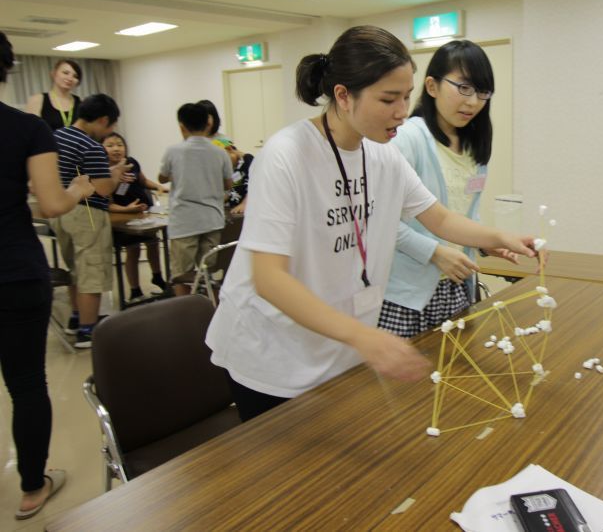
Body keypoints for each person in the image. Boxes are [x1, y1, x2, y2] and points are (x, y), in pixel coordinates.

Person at [205, 26, 537, 423]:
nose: (402, 110)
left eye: (405, 95)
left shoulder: (381, 155)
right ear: (344, 96)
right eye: (388, 98)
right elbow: (269, 279)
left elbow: (440, 218)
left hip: (339, 343)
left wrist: (501, 237)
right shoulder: (286, 155)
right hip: (274, 351)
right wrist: (364, 336)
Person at [0, 32, 95, 518]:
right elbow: (53, 203)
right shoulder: (25, 128)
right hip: (15, 270)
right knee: (25, 383)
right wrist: (79, 187)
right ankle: (33, 488)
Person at [379, 40, 515, 338]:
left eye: (482, 92)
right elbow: (377, 220)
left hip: (454, 284)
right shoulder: (407, 139)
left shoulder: (472, 148)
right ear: (431, 86)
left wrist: (484, 242)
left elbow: (462, 211)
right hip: (404, 293)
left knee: (452, 377)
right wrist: (434, 253)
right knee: (403, 383)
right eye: (463, 88)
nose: (473, 102)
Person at [51, 94, 129, 348]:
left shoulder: (56, 136)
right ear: (103, 119)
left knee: (75, 268)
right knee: (91, 272)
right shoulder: (91, 146)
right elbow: (104, 189)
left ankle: (76, 319)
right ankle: (88, 331)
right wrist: (115, 174)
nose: (108, 135)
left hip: (62, 209)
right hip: (87, 213)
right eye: (110, 128)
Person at [159, 103, 233, 297]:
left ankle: (185, 313)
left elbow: (162, 178)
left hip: (184, 221)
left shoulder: (173, 151)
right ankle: (208, 311)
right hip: (212, 220)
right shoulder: (220, 151)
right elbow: (228, 184)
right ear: (208, 124)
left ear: (181, 126)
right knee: (206, 273)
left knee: (181, 274)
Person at [102, 132, 169, 300]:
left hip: (141, 214)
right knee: (134, 250)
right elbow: (108, 204)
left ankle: (157, 276)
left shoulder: (132, 163)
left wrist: (161, 187)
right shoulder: (103, 170)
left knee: (153, 242)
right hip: (122, 219)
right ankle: (135, 290)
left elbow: (143, 181)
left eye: (119, 144)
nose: (116, 149)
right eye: (110, 145)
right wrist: (127, 209)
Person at [25, 59, 83, 132]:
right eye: (65, 73)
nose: (70, 78)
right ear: (54, 73)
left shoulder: (81, 103)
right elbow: (30, 131)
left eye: (75, 76)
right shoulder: (37, 100)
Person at [212, 137, 252, 216]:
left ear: (229, 149)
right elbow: (231, 190)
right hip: (233, 207)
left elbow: (256, 185)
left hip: (246, 208)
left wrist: (245, 203)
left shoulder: (248, 160)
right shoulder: (231, 168)